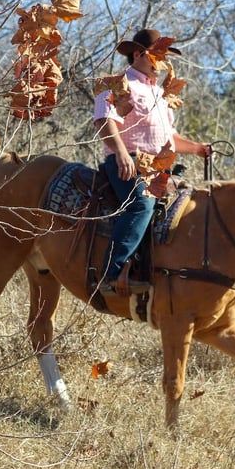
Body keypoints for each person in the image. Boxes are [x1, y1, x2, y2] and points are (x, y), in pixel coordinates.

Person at [93, 28, 211, 297]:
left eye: (166, 57)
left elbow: (170, 137)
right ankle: (111, 274)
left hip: (158, 167)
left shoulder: (160, 94)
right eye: (158, 56)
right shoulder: (117, 83)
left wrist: (197, 149)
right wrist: (122, 153)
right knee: (141, 204)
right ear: (138, 54)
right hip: (129, 161)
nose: (164, 62)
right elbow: (103, 121)